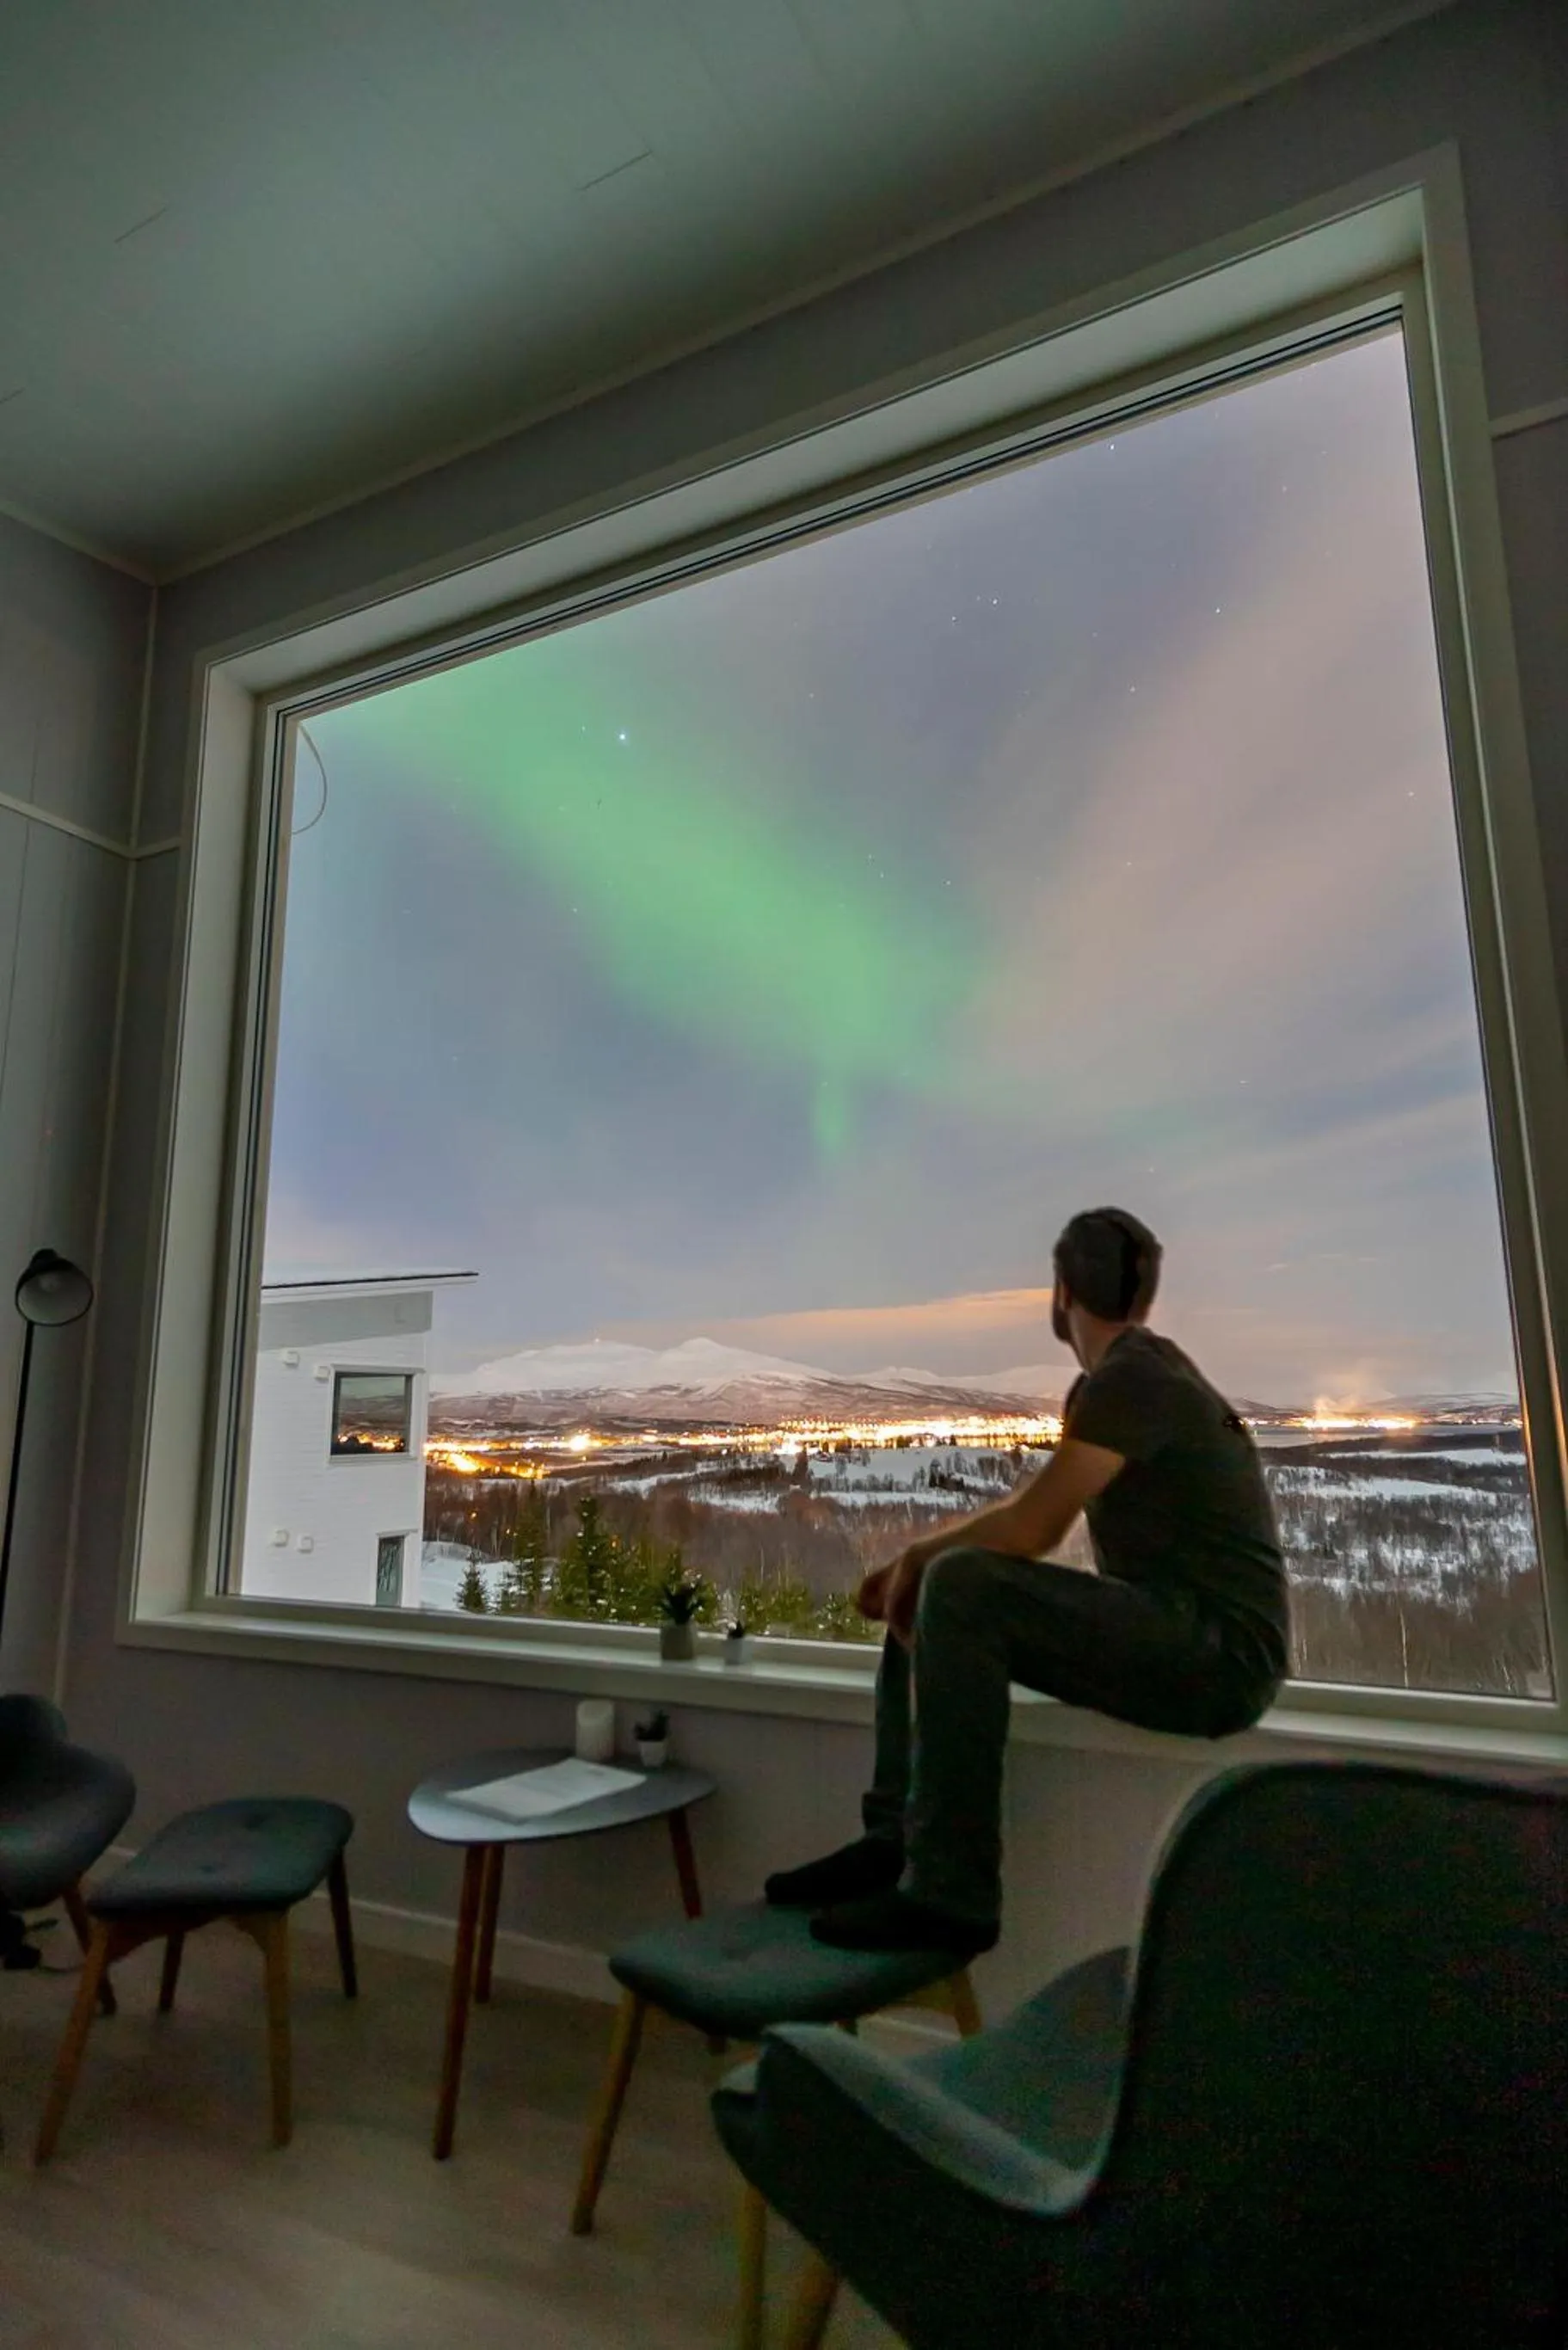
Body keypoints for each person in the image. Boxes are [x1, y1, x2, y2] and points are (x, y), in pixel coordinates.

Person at [765, 1207, 1288, 1956]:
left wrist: (918, 1557)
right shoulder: (1128, 1377)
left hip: (1220, 1658)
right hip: (1184, 1634)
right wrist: (922, 1567)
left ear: (1061, 1293)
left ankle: (952, 1896)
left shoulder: (1134, 1377)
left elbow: (1034, 1528)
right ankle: (895, 1843)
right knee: (938, 1588)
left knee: (956, 1582)